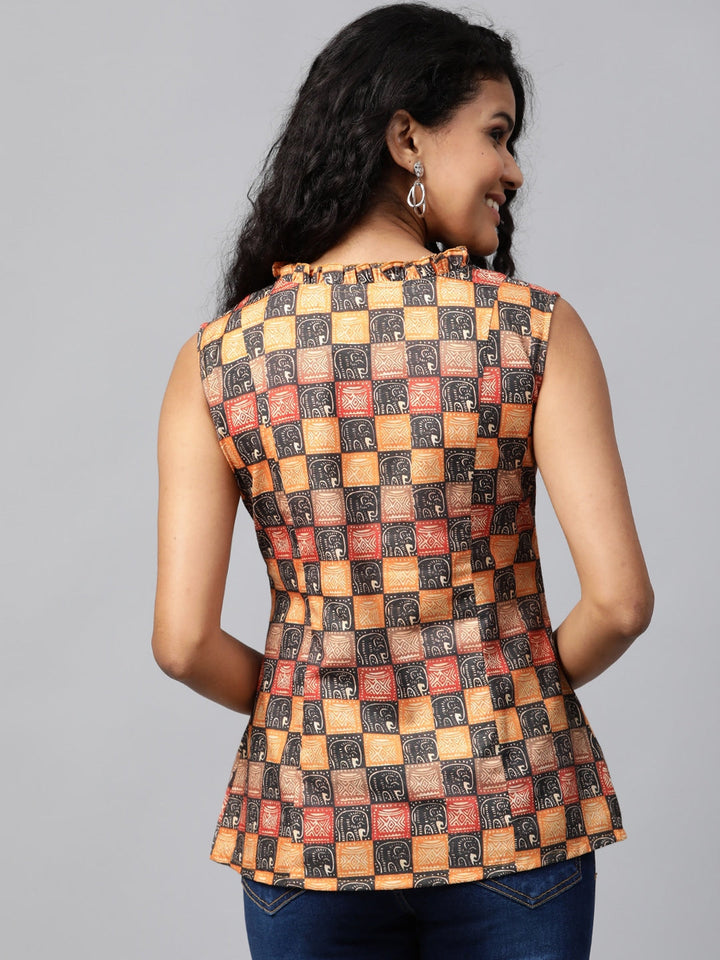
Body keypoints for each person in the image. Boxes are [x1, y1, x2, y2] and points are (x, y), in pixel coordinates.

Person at [151, 4, 654, 958]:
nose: (514, 170)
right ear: (407, 137)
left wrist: (314, 709)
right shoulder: (531, 330)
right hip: (511, 813)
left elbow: (181, 645)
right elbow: (621, 605)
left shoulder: (216, 358)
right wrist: (502, 696)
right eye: (498, 134)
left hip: (310, 822)